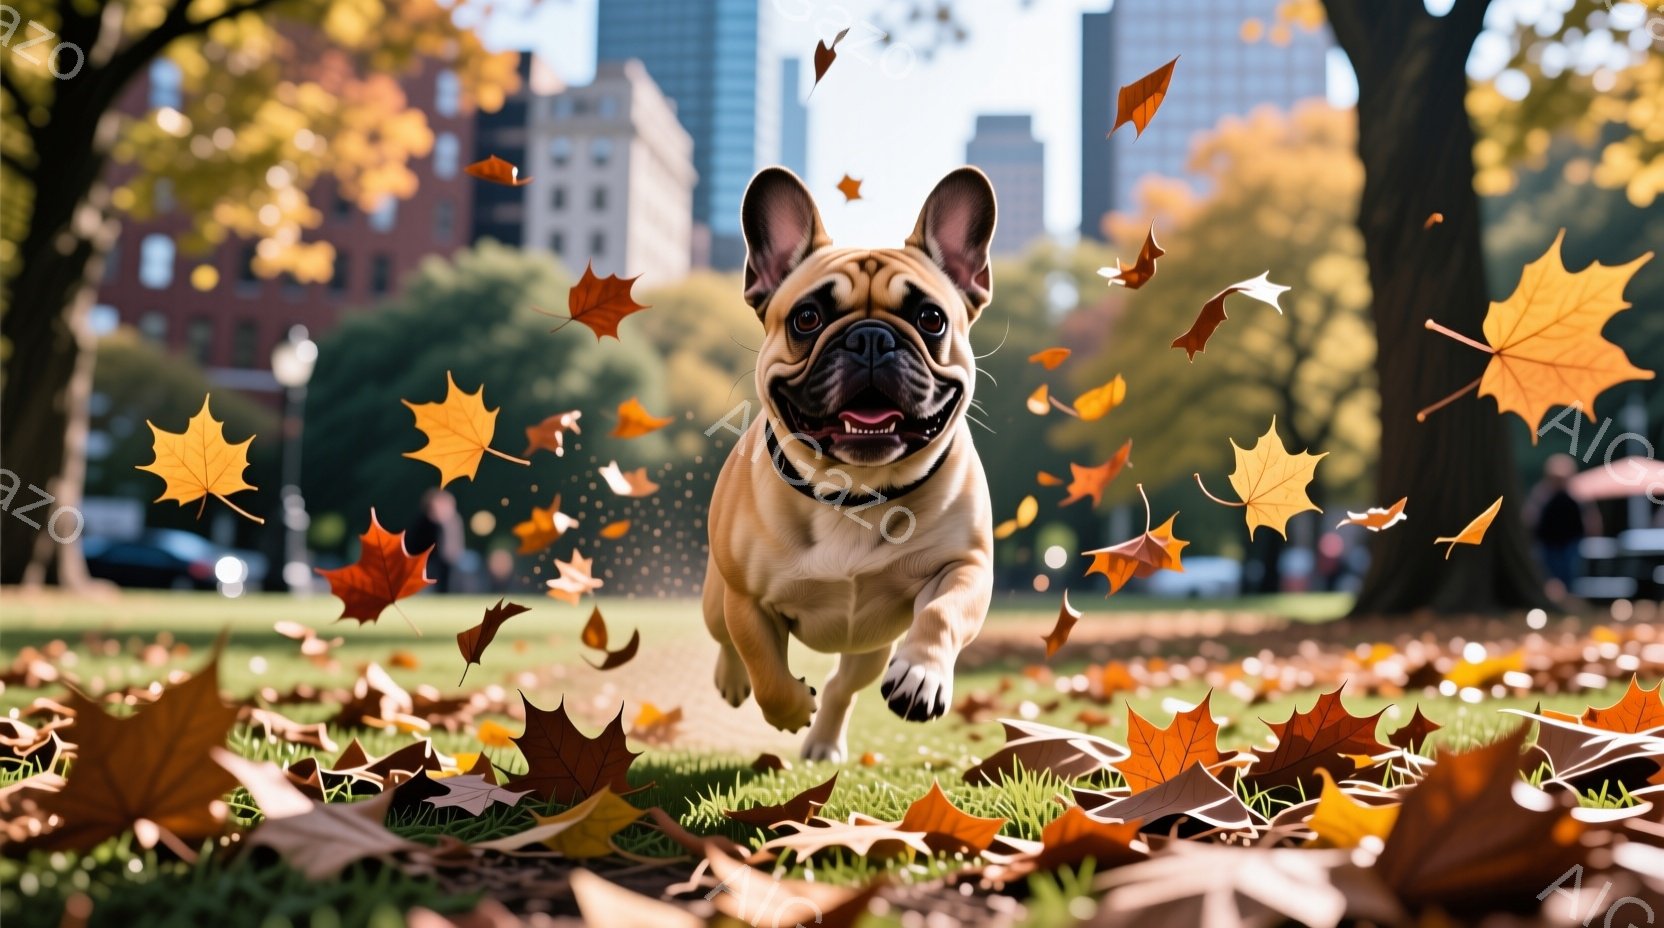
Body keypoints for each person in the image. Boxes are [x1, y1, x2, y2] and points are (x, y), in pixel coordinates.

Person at [1524, 454, 1601, 600]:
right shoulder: (1542, 494)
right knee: (1549, 574)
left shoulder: (1578, 494)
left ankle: (1569, 600)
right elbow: (1530, 517)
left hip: (1571, 542)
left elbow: (1591, 518)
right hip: (1548, 543)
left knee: (1569, 574)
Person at [405, 489, 465, 592]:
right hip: (426, 563)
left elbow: (456, 543)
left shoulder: (454, 520)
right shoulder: (423, 522)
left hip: (450, 561)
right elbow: (414, 545)